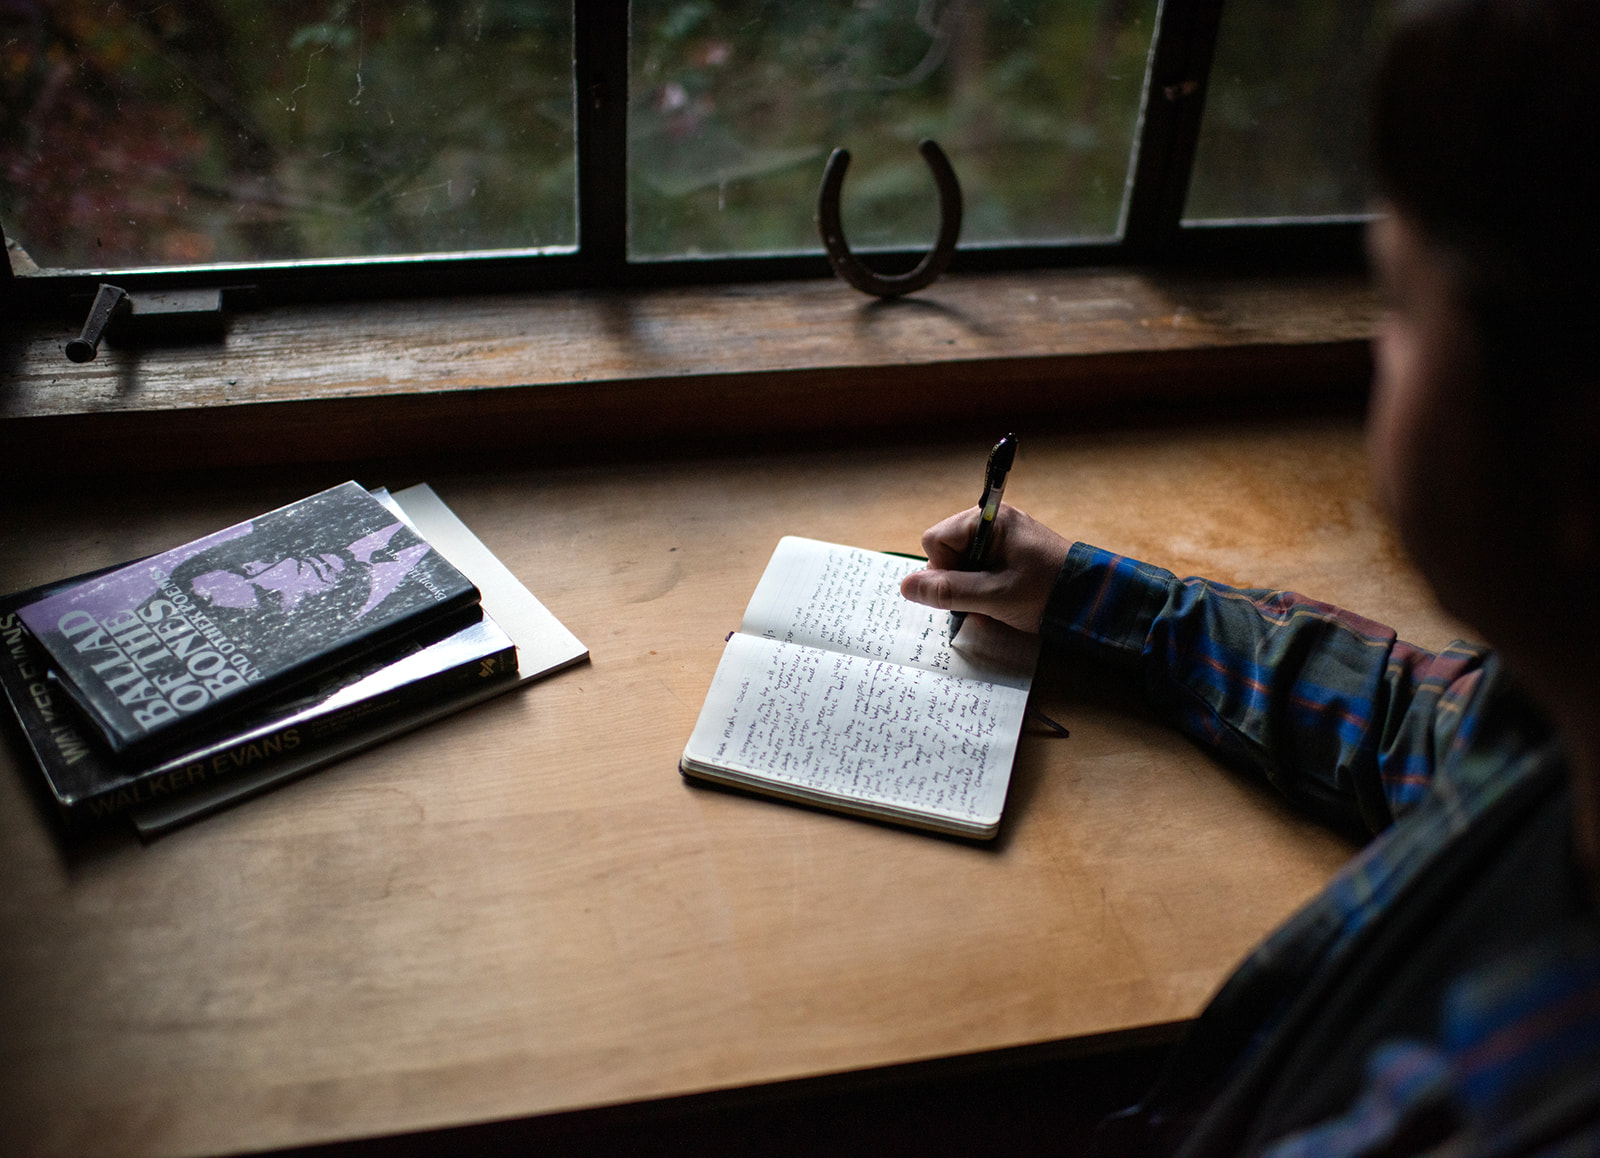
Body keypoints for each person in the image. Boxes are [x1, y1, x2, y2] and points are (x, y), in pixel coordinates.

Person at [900, 0, 1600, 1153]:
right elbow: (1407, 721)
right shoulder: (1550, 734)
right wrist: (1091, 592)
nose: (1376, 347)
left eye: (1402, 303)